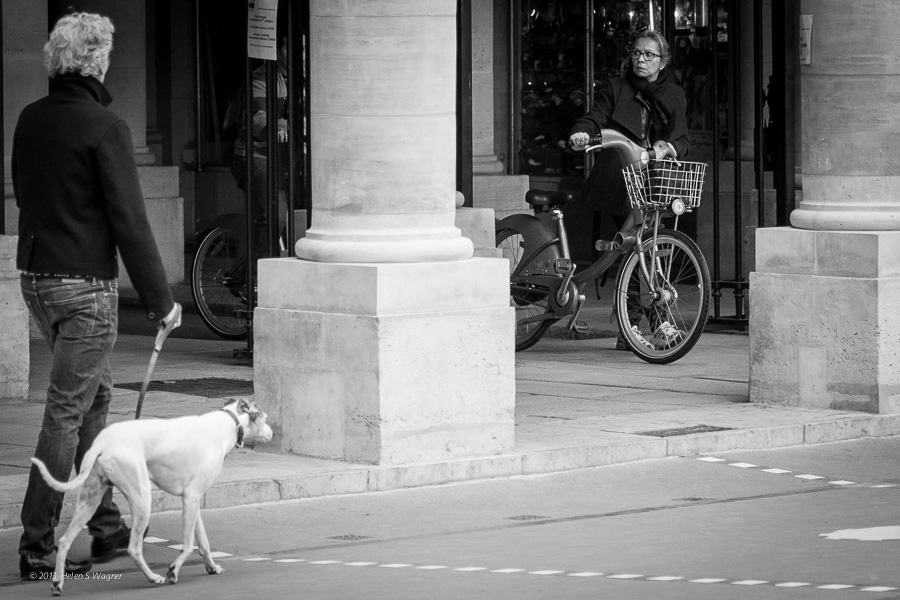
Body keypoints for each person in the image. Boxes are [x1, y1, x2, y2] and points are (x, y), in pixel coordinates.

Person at [13, 12, 181, 580]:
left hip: (37, 278)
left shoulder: (30, 119)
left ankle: (106, 524)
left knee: (96, 402)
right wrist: (161, 301)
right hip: (85, 287)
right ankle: (38, 546)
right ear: (98, 60)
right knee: (65, 411)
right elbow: (130, 222)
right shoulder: (106, 126)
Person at [568, 29, 690, 350]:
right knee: (634, 248)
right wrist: (583, 132)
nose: (641, 59)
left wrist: (667, 147)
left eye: (649, 55)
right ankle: (645, 325)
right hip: (618, 178)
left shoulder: (673, 95)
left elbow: (683, 140)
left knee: (647, 250)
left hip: (654, 181)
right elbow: (595, 118)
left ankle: (635, 326)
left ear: (662, 62)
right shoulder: (615, 87)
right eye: (636, 53)